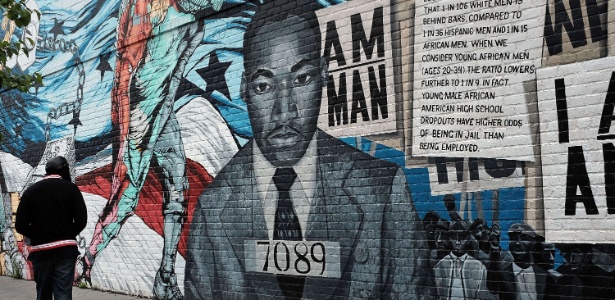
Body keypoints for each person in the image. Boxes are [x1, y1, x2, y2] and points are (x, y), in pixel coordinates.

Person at [183, 0, 433, 298]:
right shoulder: (213, 207)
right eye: (264, 85)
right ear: (243, 88)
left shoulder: (381, 191)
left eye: (301, 79)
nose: (284, 110)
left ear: (324, 74)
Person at [15, 156, 87, 300]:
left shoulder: (31, 192)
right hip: (66, 250)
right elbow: (81, 220)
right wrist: (66, 233)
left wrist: (38, 235)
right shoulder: (71, 189)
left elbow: (20, 225)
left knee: (43, 293)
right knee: (63, 294)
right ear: (64, 170)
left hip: (41, 252)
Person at [433, 220, 494, 299]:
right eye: (453, 237)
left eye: (461, 237)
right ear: (449, 239)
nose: (458, 242)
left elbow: (481, 296)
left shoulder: (479, 267)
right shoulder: (439, 267)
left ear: (468, 239)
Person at [487, 223, 550, 300]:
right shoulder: (503, 274)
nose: (517, 243)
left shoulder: (544, 275)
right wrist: (495, 247)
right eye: (513, 238)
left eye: (523, 238)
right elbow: (492, 287)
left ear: (533, 242)